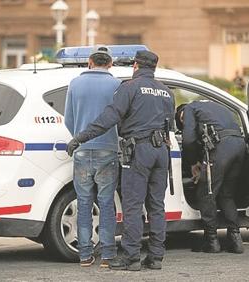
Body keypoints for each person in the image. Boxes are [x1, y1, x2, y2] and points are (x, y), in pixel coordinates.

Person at [66, 50, 175, 271]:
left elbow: (109, 118)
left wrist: (80, 137)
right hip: (161, 152)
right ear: (153, 67)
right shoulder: (166, 92)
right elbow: (170, 125)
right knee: (156, 206)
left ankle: (131, 257)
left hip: (139, 150)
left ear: (136, 65)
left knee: (133, 205)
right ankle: (155, 257)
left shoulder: (129, 88)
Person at [64, 45, 121, 267]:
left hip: (81, 150)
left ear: (90, 62)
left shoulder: (75, 83)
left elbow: (69, 119)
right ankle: (107, 255)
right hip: (108, 149)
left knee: (84, 203)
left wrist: (80, 138)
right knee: (106, 203)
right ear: (110, 64)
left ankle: (85, 255)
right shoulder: (116, 84)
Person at [176, 100, 246, 254]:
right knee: (226, 194)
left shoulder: (188, 109)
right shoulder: (213, 105)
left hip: (221, 148)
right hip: (240, 146)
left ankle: (211, 241)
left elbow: (188, 140)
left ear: (181, 117)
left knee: (205, 193)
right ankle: (236, 240)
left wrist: (193, 163)